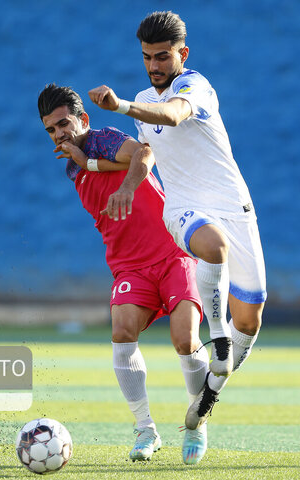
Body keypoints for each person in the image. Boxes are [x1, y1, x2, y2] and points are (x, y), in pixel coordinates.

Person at [88, 10, 267, 433]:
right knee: (212, 247)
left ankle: (212, 388)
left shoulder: (195, 87)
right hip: (184, 207)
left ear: (182, 54)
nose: (154, 66)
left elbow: (171, 116)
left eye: (163, 57)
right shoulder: (142, 99)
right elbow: (147, 153)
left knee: (252, 319)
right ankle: (218, 336)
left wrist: (121, 105)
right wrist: (121, 180)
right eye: (147, 57)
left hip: (234, 207)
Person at [37, 84, 210, 464]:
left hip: (171, 253)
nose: (59, 134)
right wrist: (84, 163)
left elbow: (144, 153)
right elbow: (101, 167)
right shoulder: (75, 165)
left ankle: (197, 425)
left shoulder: (103, 139)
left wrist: (127, 187)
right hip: (129, 266)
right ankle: (146, 429)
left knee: (185, 340)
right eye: (51, 130)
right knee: (121, 332)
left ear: (83, 119)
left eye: (63, 124)